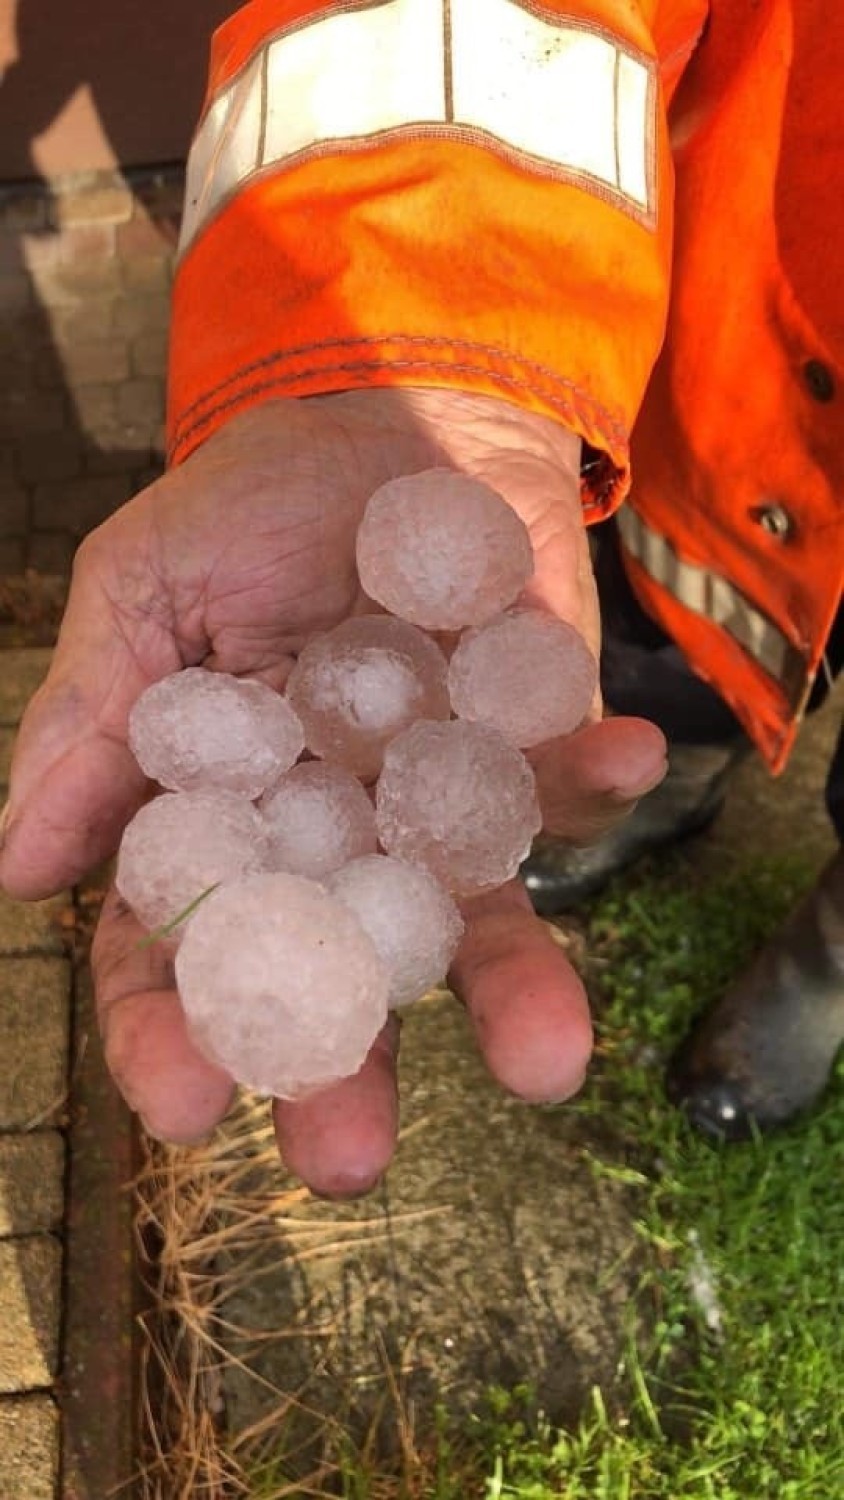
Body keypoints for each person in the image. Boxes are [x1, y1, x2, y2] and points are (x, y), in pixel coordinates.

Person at [0, 0, 842, 1193]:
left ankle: (824, 967)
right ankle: (686, 782)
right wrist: (407, 339)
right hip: (720, 387)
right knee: (667, 656)